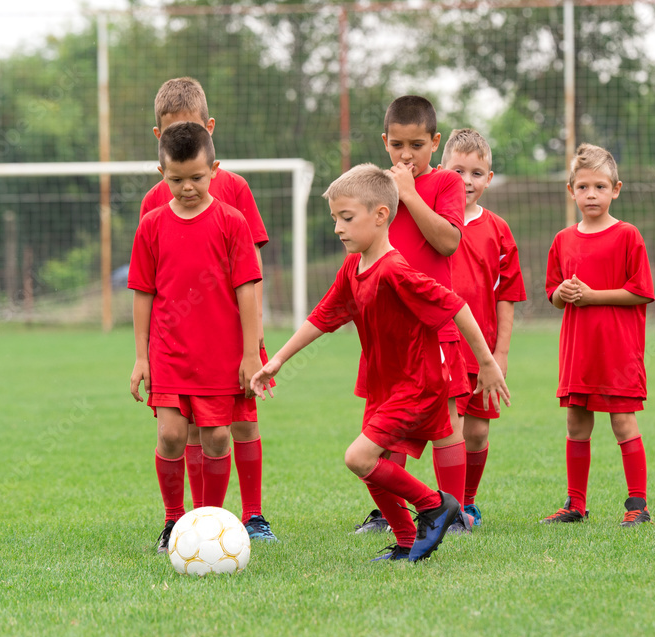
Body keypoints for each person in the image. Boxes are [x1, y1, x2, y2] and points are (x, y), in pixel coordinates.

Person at [251, 164, 511, 562]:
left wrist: (488, 363)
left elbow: (455, 306)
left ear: (380, 215)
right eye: (335, 218)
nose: (338, 227)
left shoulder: (395, 270)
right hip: (384, 387)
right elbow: (323, 315)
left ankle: (436, 505)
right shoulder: (354, 267)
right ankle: (408, 542)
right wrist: (279, 360)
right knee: (377, 464)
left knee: (359, 457)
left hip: (417, 385)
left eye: (347, 217)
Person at [140, 77, 278, 542]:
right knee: (187, 433)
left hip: (230, 333)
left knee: (237, 422)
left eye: (192, 129)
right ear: (160, 142)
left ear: (209, 132)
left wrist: (252, 342)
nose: (188, 183)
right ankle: (189, 523)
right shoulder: (154, 205)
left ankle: (252, 515)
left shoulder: (232, 191)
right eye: (173, 132)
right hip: (176, 343)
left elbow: (249, 269)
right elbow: (149, 278)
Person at [353, 95, 473, 535]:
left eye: (417, 146)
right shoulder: (373, 186)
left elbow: (447, 242)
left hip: (434, 328)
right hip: (385, 334)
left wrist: (408, 194)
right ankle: (391, 514)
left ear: (435, 143)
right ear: (385, 141)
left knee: (447, 422)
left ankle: (454, 513)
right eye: (398, 145)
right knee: (387, 422)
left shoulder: (446, 185)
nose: (406, 155)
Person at [543, 143, 655, 527]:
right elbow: (554, 296)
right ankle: (575, 505)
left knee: (623, 423)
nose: (592, 194)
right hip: (578, 352)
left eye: (601, 187)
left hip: (618, 352)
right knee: (577, 424)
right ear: (571, 190)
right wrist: (565, 294)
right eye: (584, 187)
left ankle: (637, 506)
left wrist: (591, 296)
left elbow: (640, 291)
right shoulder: (562, 240)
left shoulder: (628, 235)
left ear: (616, 189)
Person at [439, 128, 527, 528]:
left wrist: (500, 354)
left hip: (482, 353)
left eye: (476, 173)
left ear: (489, 179)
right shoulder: (434, 224)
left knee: (476, 433)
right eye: (457, 171)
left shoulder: (498, 229)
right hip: (441, 347)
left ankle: (468, 502)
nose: (466, 181)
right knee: (448, 430)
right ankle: (448, 509)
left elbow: (506, 295)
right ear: (442, 171)